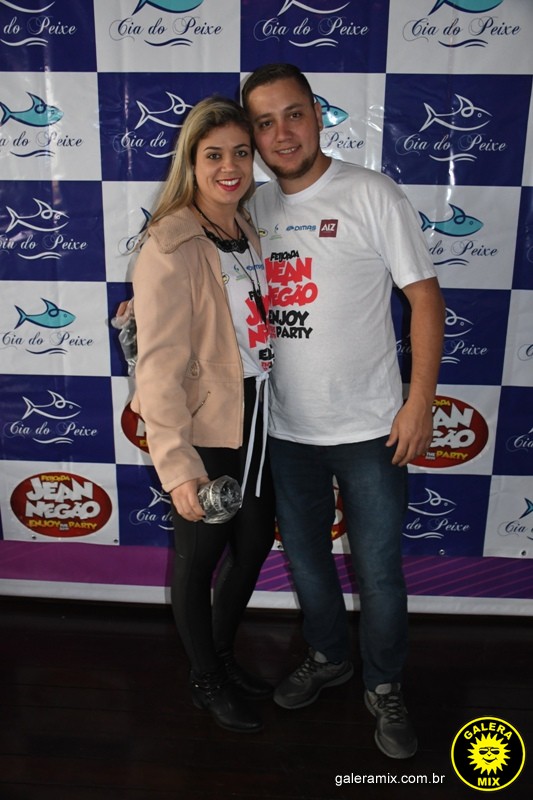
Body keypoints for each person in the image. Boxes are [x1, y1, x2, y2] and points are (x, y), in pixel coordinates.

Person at [241, 64, 445, 759]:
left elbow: (424, 297)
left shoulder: (370, 192)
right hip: (285, 431)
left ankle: (384, 684)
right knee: (306, 563)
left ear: (317, 114)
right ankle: (329, 656)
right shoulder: (255, 206)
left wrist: (419, 403)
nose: (281, 133)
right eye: (264, 122)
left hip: (370, 429)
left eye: (293, 114)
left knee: (379, 573)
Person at [130, 96, 276, 734]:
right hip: (206, 422)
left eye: (241, 153)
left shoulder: (248, 228)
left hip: (260, 416)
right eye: (214, 154)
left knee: (252, 545)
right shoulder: (169, 243)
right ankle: (205, 679)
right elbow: (158, 366)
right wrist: (178, 465)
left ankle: (219, 655)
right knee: (199, 556)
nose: (230, 167)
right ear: (190, 162)